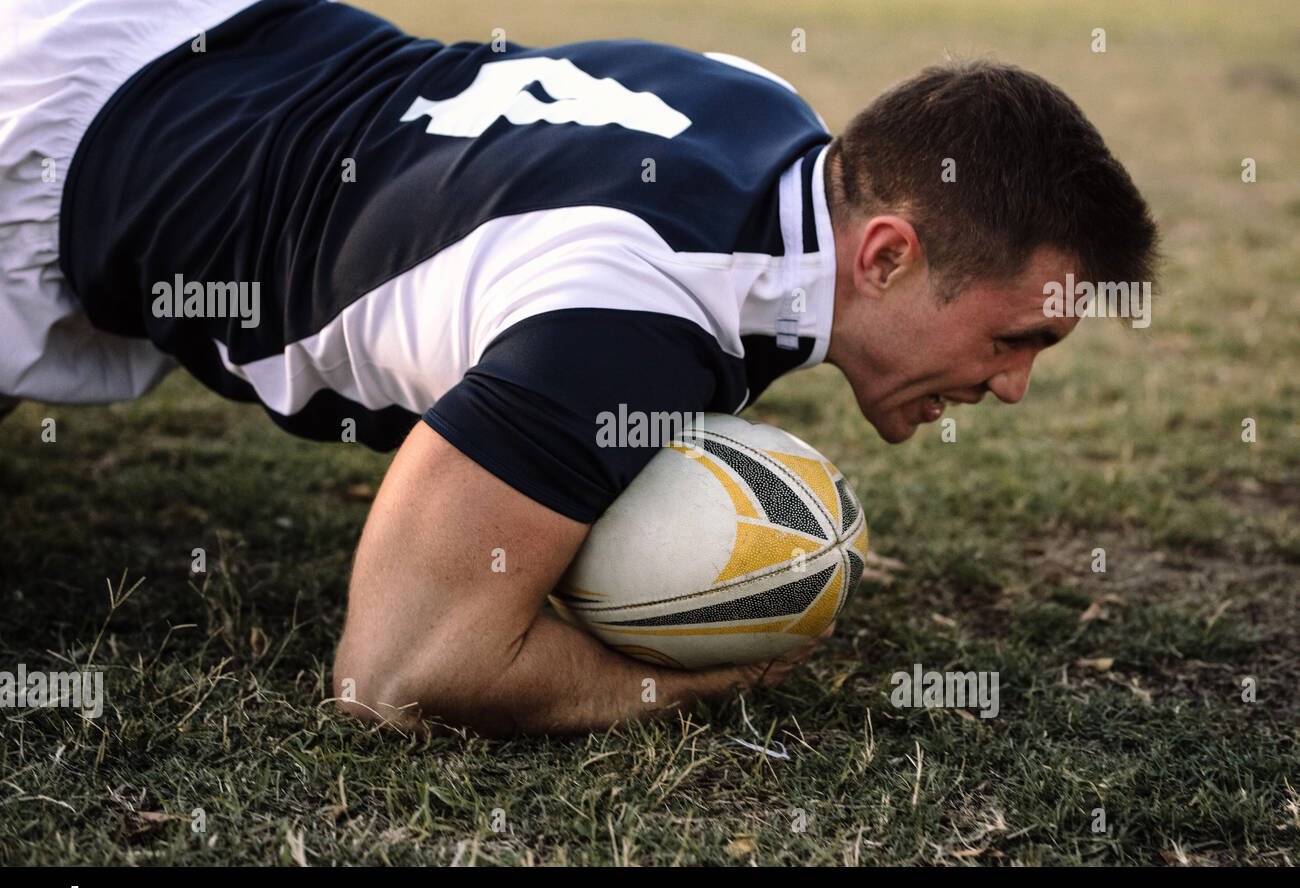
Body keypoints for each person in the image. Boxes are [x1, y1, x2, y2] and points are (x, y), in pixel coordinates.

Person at [0, 0, 1158, 735]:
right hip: (43, 149)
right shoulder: (630, 321)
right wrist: (712, 679)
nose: (1010, 386)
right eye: (1016, 339)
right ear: (890, 252)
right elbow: (397, 670)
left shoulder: (764, 103)